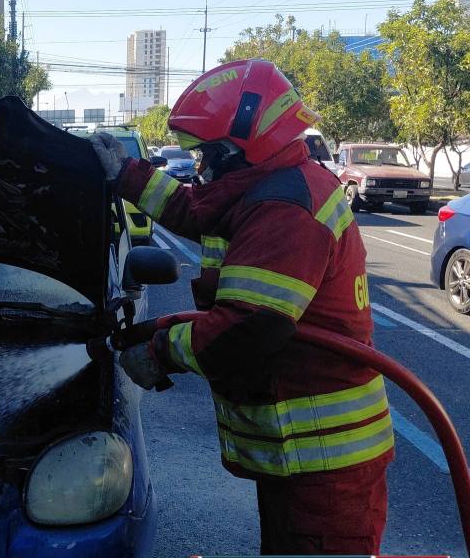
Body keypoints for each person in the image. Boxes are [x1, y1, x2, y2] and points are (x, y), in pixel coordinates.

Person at [90, 59, 393, 554]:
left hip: (323, 463)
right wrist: (127, 174)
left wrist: (160, 350)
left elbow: (250, 328)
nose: (201, 167)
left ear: (240, 149)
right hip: (301, 455)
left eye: (209, 155)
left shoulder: (285, 209)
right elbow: (197, 211)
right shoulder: (267, 186)